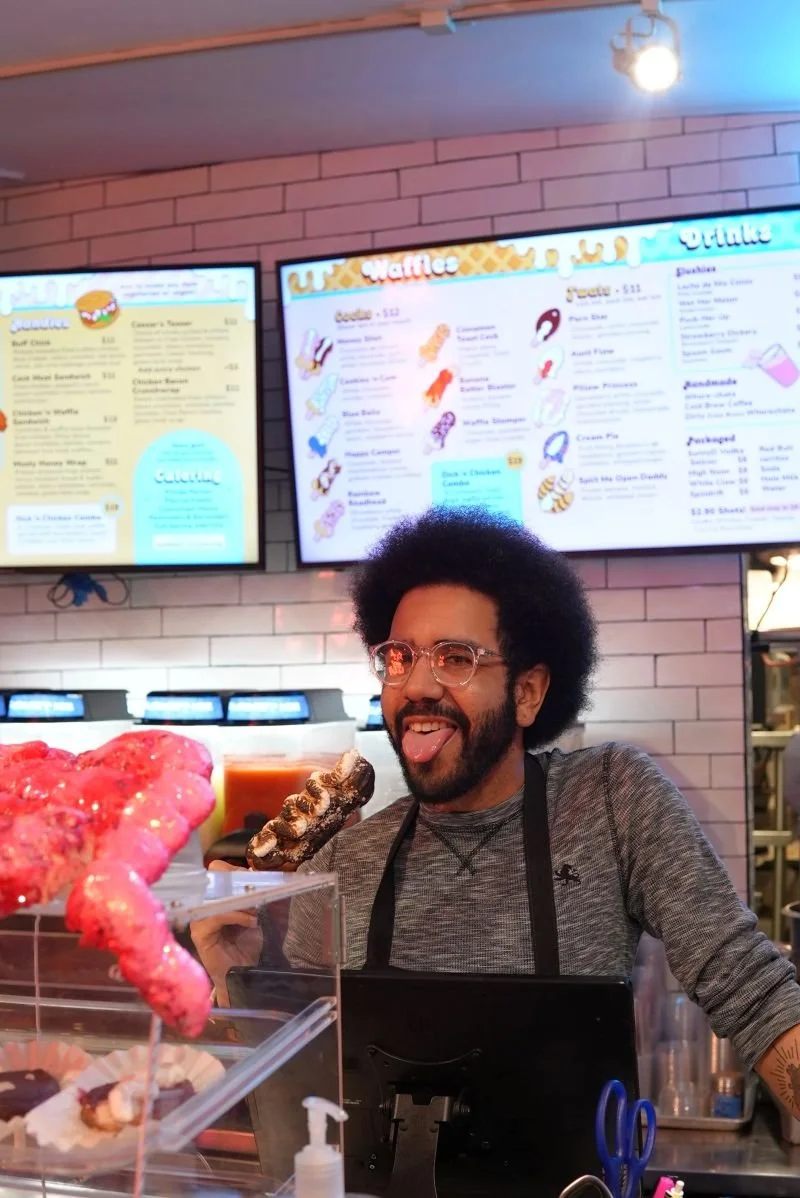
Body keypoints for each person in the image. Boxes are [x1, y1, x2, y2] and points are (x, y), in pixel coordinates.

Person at [193, 507, 800, 1118]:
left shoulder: (611, 801)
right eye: (400, 657)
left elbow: (750, 989)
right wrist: (236, 980)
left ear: (528, 693)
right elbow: (300, 1088)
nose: (418, 686)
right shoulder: (345, 861)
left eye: (455, 658)